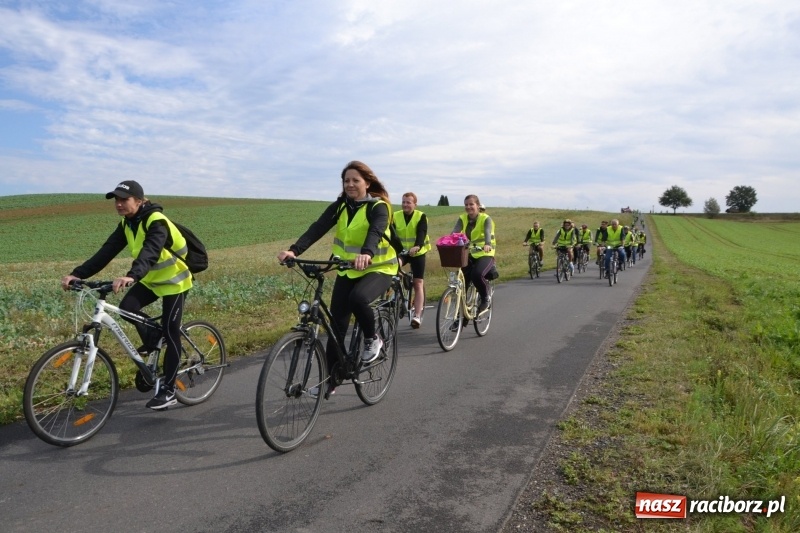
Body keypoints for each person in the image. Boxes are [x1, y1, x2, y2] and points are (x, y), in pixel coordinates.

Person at [61, 180, 192, 410]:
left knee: (172, 333)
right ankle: (154, 340)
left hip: (175, 282)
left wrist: (132, 275)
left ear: (139, 201)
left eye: (124, 199)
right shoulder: (127, 224)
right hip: (152, 281)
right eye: (116, 200)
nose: (119, 204)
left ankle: (169, 390)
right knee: (127, 308)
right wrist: (76, 274)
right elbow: (106, 252)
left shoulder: (156, 221)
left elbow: (150, 251)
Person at [277, 161, 397, 397]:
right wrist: (294, 250)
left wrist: (367, 253)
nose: (350, 184)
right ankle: (332, 379)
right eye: (346, 180)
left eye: (355, 180)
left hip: (379, 268)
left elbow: (376, 231)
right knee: (336, 327)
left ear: (367, 183)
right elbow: (318, 227)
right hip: (347, 269)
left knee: (358, 298)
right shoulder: (341, 206)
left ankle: (373, 339)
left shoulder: (379, 207)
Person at [452, 194, 495, 315]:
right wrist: (447, 242)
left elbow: (487, 232)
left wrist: (487, 244)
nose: (468, 207)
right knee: (462, 282)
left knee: (477, 275)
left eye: (471, 204)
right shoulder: (462, 218)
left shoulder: (486, 218)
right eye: (466, 205)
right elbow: (454, 232)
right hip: (470, 252)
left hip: (485, 253)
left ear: (477, 205)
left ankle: (485, 297)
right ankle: (461, 317)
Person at [393, 192, 430, 329]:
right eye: (403, 202)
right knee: (393, 268)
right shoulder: (395, 216)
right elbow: (391, 234)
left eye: (408, 202)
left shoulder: (421, 216)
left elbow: (422, 232)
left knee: (418, 283)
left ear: (415, 204)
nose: (405, 205)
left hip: (417, 252)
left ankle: (417, 315)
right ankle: (398, 298)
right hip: (402, 252)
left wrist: (417, 245)